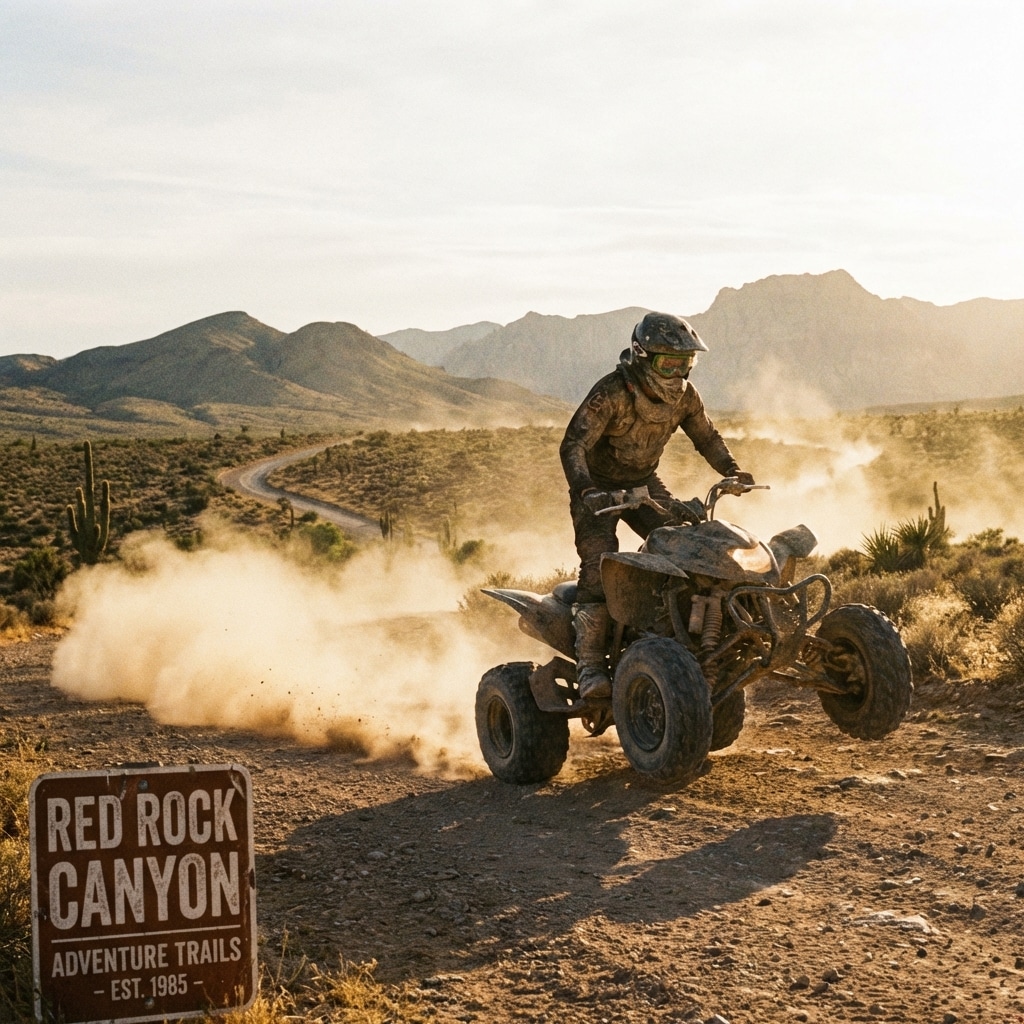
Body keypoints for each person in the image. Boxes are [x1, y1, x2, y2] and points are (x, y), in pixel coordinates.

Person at [559, 311, 753, 700]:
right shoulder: (612, 393)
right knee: (599, 568)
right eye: (669, 362)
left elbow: (707, 436)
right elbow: (573, 444)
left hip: (643, 483)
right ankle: (592, 666)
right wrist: (585, 490)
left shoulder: (685, 397)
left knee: (684, 548)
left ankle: (675, 641)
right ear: (642, 357)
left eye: (686, 364)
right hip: (597, 491)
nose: (678, 373)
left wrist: (732, 469)